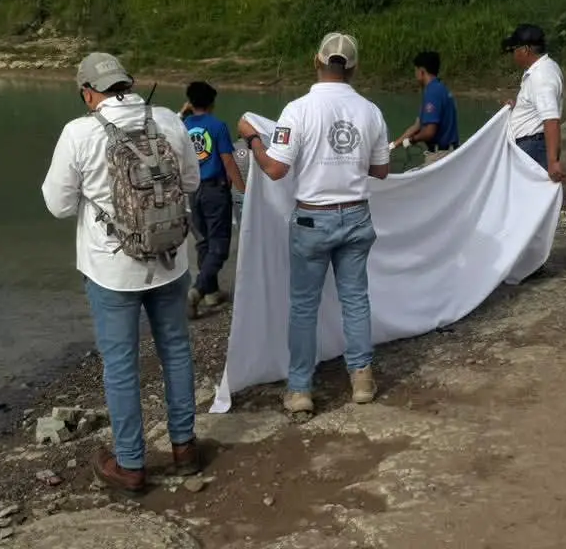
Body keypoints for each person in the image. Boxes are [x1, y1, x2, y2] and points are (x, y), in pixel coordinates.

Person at [40, 52, 202, 494]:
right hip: (171, 261)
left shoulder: (79, 132)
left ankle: (131, 464)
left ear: (87, 92)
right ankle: (184, 447)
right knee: (176, 350)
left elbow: (57, 205)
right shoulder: (168, 119)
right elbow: (191, 183)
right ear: (127, 84)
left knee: (121, 366)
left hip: (112, 270)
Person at [236, 32, 391, 415]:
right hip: (356, 215)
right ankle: (362, 381)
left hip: (312, 219)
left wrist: (253, 138)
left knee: (304, 307)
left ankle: (301, 390)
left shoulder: (297, 110)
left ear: (316, 61)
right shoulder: (370, 112)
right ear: (354, 67)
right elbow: (382, 170)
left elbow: (274, 169)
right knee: (355, 300)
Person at [178, 81, 246, 318]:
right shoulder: (217, 126)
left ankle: (212, 292)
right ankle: (196, 291)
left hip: (192, 192)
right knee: (219, 246)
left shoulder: (183, 126)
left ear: (190, 102)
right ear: (212, 102)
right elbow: (228, 161)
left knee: (203, 243)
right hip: (215, 192)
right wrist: (244, 190)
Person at [502, 24, 565, 181]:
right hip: (532, 145)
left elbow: (551, 119)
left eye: (514, 49)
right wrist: (519, 108)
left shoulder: (541, 75)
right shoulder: (544, 68)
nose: (513, 55)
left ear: (525, 50)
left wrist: (553, 162)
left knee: (527, 197)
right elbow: (539, 107)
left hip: (533, 147)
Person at [391, 51, 460, 166]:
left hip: (439, 155)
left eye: (416, 71)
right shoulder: (440, 88)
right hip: (449, 152)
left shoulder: (432, 93)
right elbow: (417, 125)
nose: (415, 75)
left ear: (422, 71)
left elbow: (429, 132)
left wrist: (412, 140)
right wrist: (394, 145)